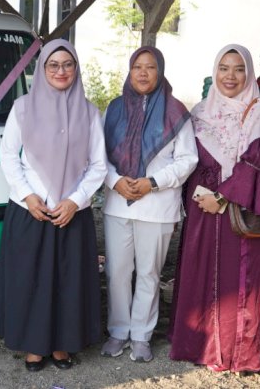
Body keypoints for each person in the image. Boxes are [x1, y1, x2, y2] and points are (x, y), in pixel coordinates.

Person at [167, 44, 260, 372]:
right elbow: (187, 159)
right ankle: (202, 345)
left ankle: (242, 352)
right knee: (204, 274)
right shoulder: (200, 112)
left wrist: (223, 198)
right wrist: (197, 198)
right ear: (214, 71)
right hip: (203, 209)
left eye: (238, 69)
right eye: (223, 68)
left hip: (241, 209)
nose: (230, 76)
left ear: (249, 73)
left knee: (243, 281)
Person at [0, 39, 107, 372]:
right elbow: (8, 155)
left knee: (68, 282)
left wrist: (75, 201)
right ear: (42, 69)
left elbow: (98, 165)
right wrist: (29, 196)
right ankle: (33, 345)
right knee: (30, 279)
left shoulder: (89, 112)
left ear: (76, 69)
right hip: (30, 211)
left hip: (72, 213)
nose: (61, 71)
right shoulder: (23, 108)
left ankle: (62, 345)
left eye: (68, 64)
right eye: (53, 65)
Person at [99, 46, 197, 363]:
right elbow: (97, 156)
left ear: (160, 71)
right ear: (129, 71)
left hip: (157, 206)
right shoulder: (114, 109)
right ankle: (118, 330)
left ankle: (141, 335)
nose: (142, 72)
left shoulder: (175, 111)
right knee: (116, 272)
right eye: (137, 67)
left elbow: (187, 160)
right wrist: (115, 181)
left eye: (150, 67)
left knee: (149, 273)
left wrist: (151, 182)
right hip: (118, 203)